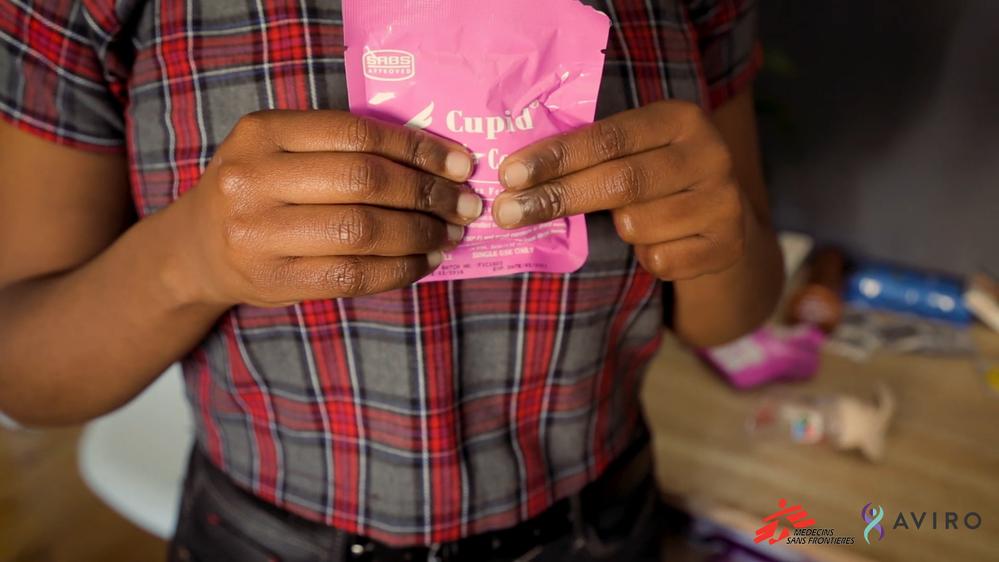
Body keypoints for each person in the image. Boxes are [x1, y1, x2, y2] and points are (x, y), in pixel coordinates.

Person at [0, 0, 783, 560]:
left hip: (604, 529)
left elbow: (731, 310)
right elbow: (23, 375)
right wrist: (188, 259)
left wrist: (719, 231)